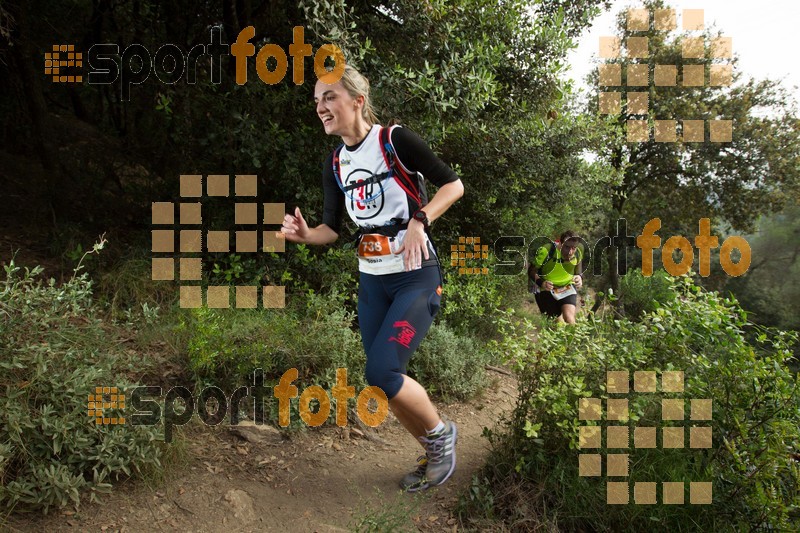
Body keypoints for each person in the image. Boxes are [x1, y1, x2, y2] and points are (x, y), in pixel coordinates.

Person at [281, 65, 464, 492]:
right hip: (372, 282)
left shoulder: (393, 141)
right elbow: (331, 229)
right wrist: (306, 235)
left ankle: (442, 436)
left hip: (415, 276)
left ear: (357, 101)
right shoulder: (335, 163)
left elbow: (452, 186)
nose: (321, 108)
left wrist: (420, 219)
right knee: (384, 379)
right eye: (317, 101)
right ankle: (433, 450)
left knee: (382, 371)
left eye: (329, 97)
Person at [528, 230, 583, 324]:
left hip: (567, 286)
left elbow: (578, 270)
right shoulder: (546, 250)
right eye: (567, 247)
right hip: (547, 289)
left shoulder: (577, 253)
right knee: (557, 324)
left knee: (569, 319)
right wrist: (542, 283)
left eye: (573, 248)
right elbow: (531, 271)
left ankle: (574, 338)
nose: (570, 252)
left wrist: (579, 277)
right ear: (560, 243)